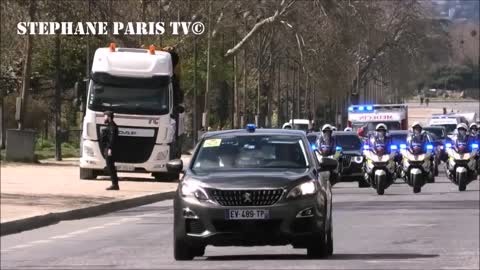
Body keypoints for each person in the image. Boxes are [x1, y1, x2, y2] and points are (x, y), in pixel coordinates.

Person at [101, 111, 120, 190]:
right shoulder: (110, 126)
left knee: (111, 167)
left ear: (108, 117)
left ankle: (114, 184)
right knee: (110, 166)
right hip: (108, 148)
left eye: (104, 116)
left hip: (110, 149)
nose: (104, 118)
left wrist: (110, 149)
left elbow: (112, 139)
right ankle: (114, 184)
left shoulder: (112, 126)